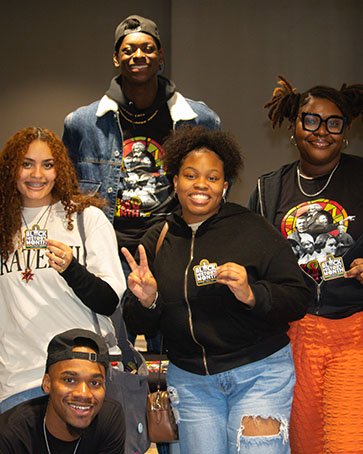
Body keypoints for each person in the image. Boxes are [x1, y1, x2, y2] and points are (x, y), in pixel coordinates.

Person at [122, 126, 310, 454]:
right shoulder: (157, 239)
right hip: (192, 382)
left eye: (212, 178)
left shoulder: (252, 229)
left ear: (225, 186)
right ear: (175, 180)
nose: (201, 185)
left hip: (259, 374)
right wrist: (148, 301)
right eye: (191, 175)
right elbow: (138, 324)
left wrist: (253, 293)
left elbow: (298, 295)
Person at [62, 14, 221, 359]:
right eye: (129, 49)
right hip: (108, 249)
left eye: (148, 48)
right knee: (111, 350)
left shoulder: (199, 120)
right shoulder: (83, 124)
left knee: (177, 343)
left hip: (171, 245)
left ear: (161, 56)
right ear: (116, 58)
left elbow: (216, 185)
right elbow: (67, 193)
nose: (139, 55)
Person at [248, 75, 363, 454]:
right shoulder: (269, 189)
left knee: (347, 442)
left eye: (334, 122)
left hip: (354, 330)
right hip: (293, 335)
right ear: (293, 126)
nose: (322, 131)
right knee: (305, 444)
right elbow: (253, 260)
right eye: (311, 120)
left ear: (345, 130)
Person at [0, 127, 126, 413]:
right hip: (17, 383)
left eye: (47, 165)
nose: (37, 175)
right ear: (11, 169)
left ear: (60, 169)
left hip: (83, 376)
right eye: (26, 164)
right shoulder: (3, 228)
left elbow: (108, 301)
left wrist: (71, 268)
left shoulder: (85, 219)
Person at [0, 328, 125, 453]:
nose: (83, 393)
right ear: (47, 383)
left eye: (94, 383)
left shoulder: (109, 419)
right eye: (69, 380)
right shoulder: (10, 436)